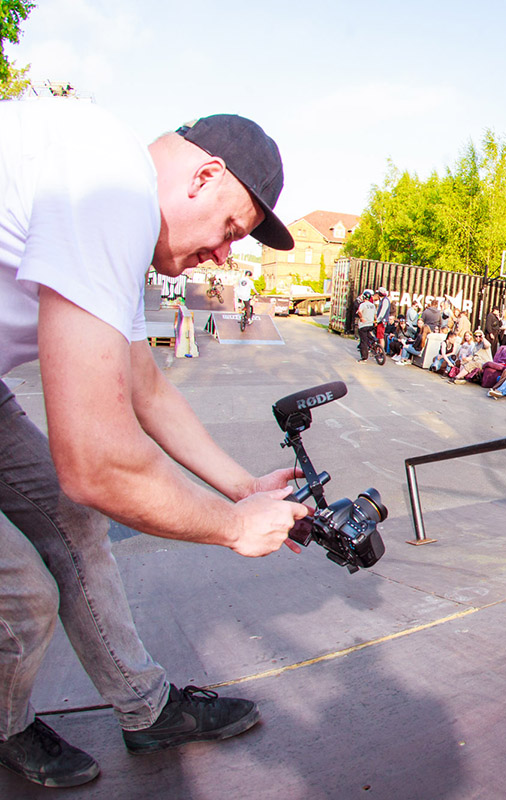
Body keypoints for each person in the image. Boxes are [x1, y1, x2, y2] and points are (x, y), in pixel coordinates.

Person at [0, 104, 308, 789]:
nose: (225, 255)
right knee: (22, 597)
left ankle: (146, 708)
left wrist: (242, 488)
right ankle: (5, 723)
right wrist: (232, 528)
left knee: (72, 525)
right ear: (204, 175)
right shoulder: (112, 187)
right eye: (231, 229)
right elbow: (93, 462)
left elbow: (146, 386)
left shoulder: (105, 189)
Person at [355, 289, 377, 361]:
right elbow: (375, 315)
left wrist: (361, 318)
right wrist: (375, 321)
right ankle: (373, 340)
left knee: (363, 341)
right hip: (371, 324)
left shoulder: (362, 305)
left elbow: (359, 312)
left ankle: (364, 357)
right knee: (368, 333)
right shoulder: (373, 305)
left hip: (363, 325)